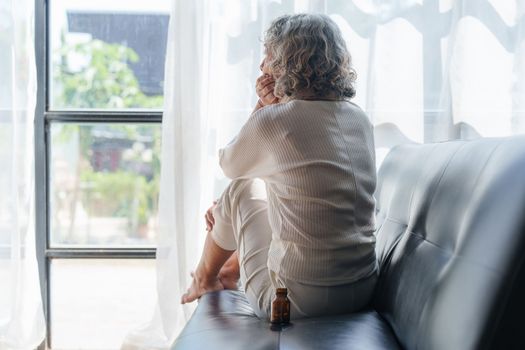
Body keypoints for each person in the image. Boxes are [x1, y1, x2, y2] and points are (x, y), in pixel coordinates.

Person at [181, 13, 378, 320]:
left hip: (293, 302)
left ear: (289, 62)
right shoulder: (359, 118)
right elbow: (302, 176)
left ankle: (204, 279)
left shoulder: (276, 120)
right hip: (361, 289)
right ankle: (228, 274)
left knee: (240, 187)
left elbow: (229, 163)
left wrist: (262, 109)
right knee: (251, 191)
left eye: (268, 56)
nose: (262, 67)